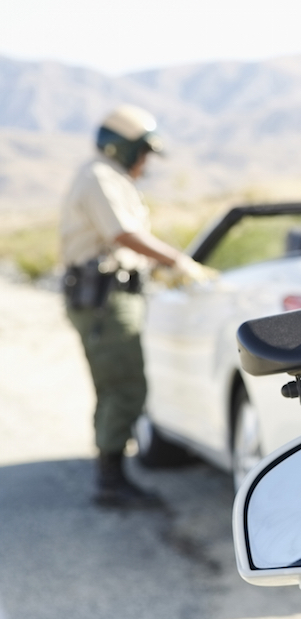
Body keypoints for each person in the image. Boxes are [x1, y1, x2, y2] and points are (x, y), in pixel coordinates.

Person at [60, 104, 211, 508]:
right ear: (122, 148)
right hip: (104, 300)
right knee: (124, 388)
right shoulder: (99, 176)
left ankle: (111, 473)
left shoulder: (110, 178)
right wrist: (175, 261)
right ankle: (111, 481)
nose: (145, 162)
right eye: (142, 152)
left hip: (112, 294)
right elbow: (124, 234)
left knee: (116, 386)